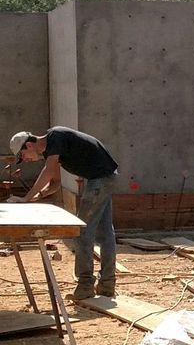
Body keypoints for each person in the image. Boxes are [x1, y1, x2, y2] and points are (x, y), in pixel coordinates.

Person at [10, 127, 119, 299]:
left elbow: (48, 171)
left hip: (100, 180)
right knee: (105, 233)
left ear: (29, 145)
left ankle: (85, 286)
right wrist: (38, 195)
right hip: (103, 178)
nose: (26, 160)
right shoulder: (52, 150)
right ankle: (107, 285)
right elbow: (55, 183)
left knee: (81, 232)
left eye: (23, 156)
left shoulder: (55, 136)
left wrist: (25, 198)